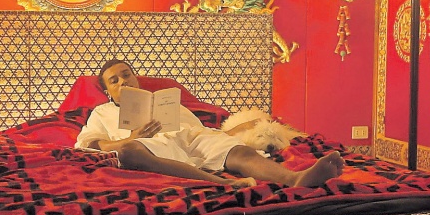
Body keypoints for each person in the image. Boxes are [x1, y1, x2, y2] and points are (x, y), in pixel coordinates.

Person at [75, 59, 344, 188]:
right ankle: (220, 183)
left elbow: (204, 130)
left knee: (234, 149)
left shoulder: (167, 102)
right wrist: (129, 138)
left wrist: (235, 131)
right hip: (149, 146)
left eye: (126, 74)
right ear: (108, 92)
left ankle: (294, 178)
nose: (123, 81)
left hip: (190, 137)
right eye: (115, 80)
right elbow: (90, 143)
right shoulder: (102, 112)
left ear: (135, 78)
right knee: (128, 152)